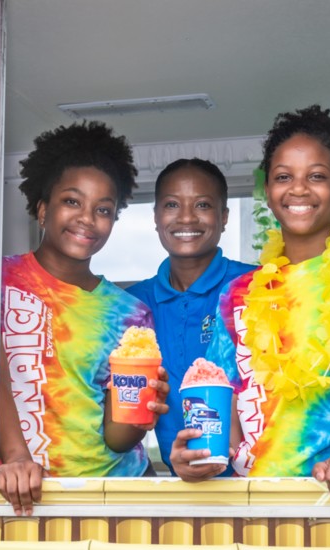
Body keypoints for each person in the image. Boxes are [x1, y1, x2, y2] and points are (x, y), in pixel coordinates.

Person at [171, 105, 330, 496]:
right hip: (254, 501)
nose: (298, 189)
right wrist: (200, 458)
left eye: (316, 176)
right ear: (267, 190)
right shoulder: (238, 294)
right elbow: (222, 400)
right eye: (284, 177)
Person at [0, 121, 169, 516]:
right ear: (43, 209)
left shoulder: (130, 313)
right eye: (72, 201)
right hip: (17, 489)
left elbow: (116, 437)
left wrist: (142, 410)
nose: (88, 218)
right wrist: (14, 456)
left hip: (113, 492)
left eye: (103, 209)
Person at [127, 158, 255, 473]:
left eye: (202, 205)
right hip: (179, 489)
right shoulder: (132, 305)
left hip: (263, 485)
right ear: (156, 217)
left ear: (224, 217)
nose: (186, 217)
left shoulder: (256, 287)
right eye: (172, 205)